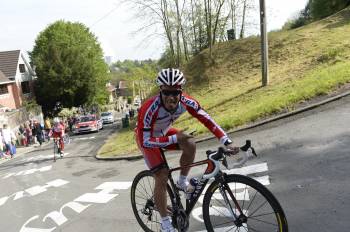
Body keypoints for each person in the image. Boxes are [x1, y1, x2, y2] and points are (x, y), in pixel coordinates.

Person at [135, 68, 239, 232]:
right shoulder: (149, 108)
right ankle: (165, 223)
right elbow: (146, 141)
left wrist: (226, 141)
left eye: (175, 92)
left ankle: (182, 182)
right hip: (147, 139)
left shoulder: (186, 102)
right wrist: (176, 138)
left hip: (164, 133)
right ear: (160, 90)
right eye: (166, 92)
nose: (171, 97)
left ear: (181, 91)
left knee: (190, 142)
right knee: (161, 175)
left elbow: (208, 120)